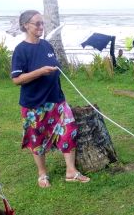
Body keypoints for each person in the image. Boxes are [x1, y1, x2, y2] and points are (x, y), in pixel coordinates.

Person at [11, 10, 89, 188]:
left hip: (57, 100)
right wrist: (40, 72)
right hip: (34, 104)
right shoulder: (21, 50)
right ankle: (42, 174)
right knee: (36, 139)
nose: (40, 27)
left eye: (42, 23)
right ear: (26, 26)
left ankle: (71, 171)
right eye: (37, 24)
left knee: (69, 130)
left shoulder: (46, 45)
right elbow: (16, 79)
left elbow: (56, 67)